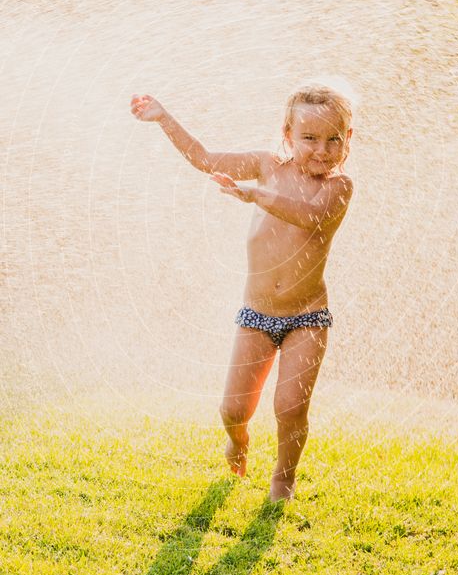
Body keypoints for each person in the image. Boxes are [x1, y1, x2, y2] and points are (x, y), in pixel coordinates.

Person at [130, 85, 353, 501]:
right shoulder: (267, 165)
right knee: (233, 409)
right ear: (287, 134)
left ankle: (283, 479)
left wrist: (255, 195)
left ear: (348, 139)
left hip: (307, 316)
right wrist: (163, 117)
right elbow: (206, 159)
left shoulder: (339, 188)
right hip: (257, 313)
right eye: (309, 138)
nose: (322, 150)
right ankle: (238, 439)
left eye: (333, 139)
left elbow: (310, 218)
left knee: (290, 406)